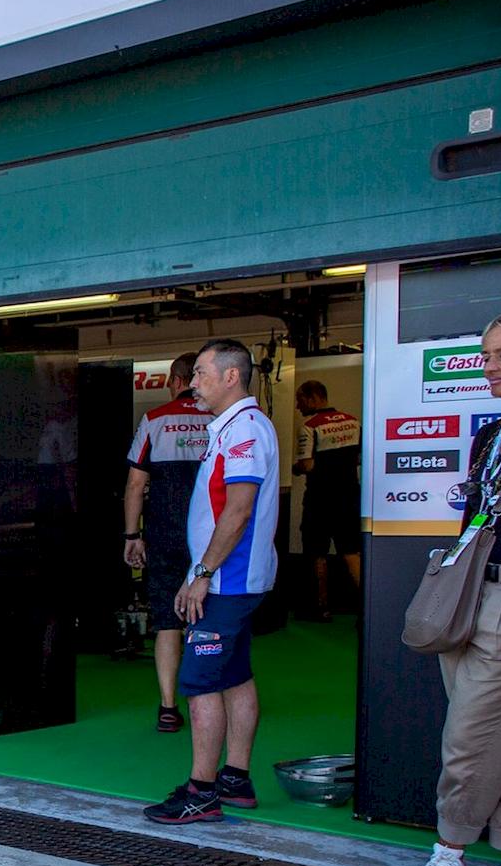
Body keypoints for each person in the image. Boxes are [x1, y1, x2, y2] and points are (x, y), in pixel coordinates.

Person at [144, 339, 279, 825]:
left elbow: (238, 510)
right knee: (235, 676)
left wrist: (201, 574)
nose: (192, 383)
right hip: (232, 579)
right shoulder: (232, 427)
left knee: (200, 682)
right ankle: (235, 779)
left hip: (227, 581)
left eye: (201, 373)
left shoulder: (244, 428)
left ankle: (201, 792)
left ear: (231, 376)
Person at [416, 313, 501, 866]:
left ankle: (450, 848)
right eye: (487, 355)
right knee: (486, 733)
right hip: (471, 596)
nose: (490, 366)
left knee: (469, 735)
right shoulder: (489, 435)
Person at [124, 353, 209, 732]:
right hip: (214, 538)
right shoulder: (221, 418)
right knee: (211, 621)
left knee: (167, 622)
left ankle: (168, 707)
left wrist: (132, 535)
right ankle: (208, 700)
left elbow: (135, 484)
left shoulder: (155, 420)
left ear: (176, 380)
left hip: (165, 535)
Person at [291, 379, 362, 620]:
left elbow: (307, 465)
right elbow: (360, 458)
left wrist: (295, 468)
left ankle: (320, 607)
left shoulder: (310, 427)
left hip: (320, 499)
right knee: (351, 551)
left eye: (300, 400)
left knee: (316, 552)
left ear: (312, 398)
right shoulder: (354, 422)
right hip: (350, 495)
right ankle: (368, 607)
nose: (298, 406)